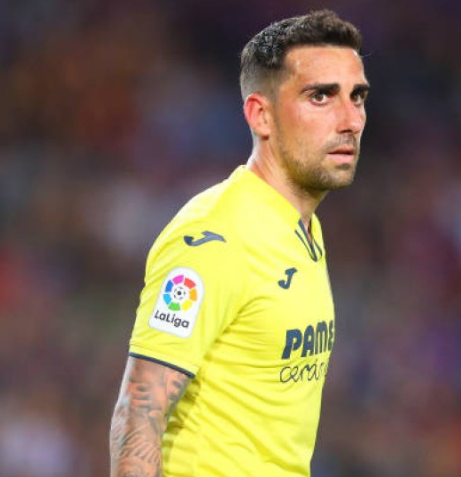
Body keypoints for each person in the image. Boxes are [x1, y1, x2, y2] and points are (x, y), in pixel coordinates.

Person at [109, 9, 369, 477]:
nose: (350, 119)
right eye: (320, 96)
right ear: (261, 115)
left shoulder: (303, 227)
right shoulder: (215, 238)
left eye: (357, 97)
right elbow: (139, 411)